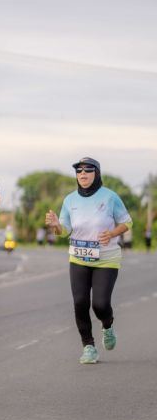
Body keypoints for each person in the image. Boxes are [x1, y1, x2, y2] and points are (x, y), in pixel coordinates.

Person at [45, 156, 132, 364]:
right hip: (78, 258)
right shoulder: (70, 200)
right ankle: (88, 347)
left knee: (100, 304)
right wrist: (56, 225)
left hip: (106, 259)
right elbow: (64, 231)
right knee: (80, 303)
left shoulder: (110, 197)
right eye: (79, 170)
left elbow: (127, 222)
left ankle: (107, 325)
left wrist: (112, 233)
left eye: (88, 170)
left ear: (96, 173)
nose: (83, 173)